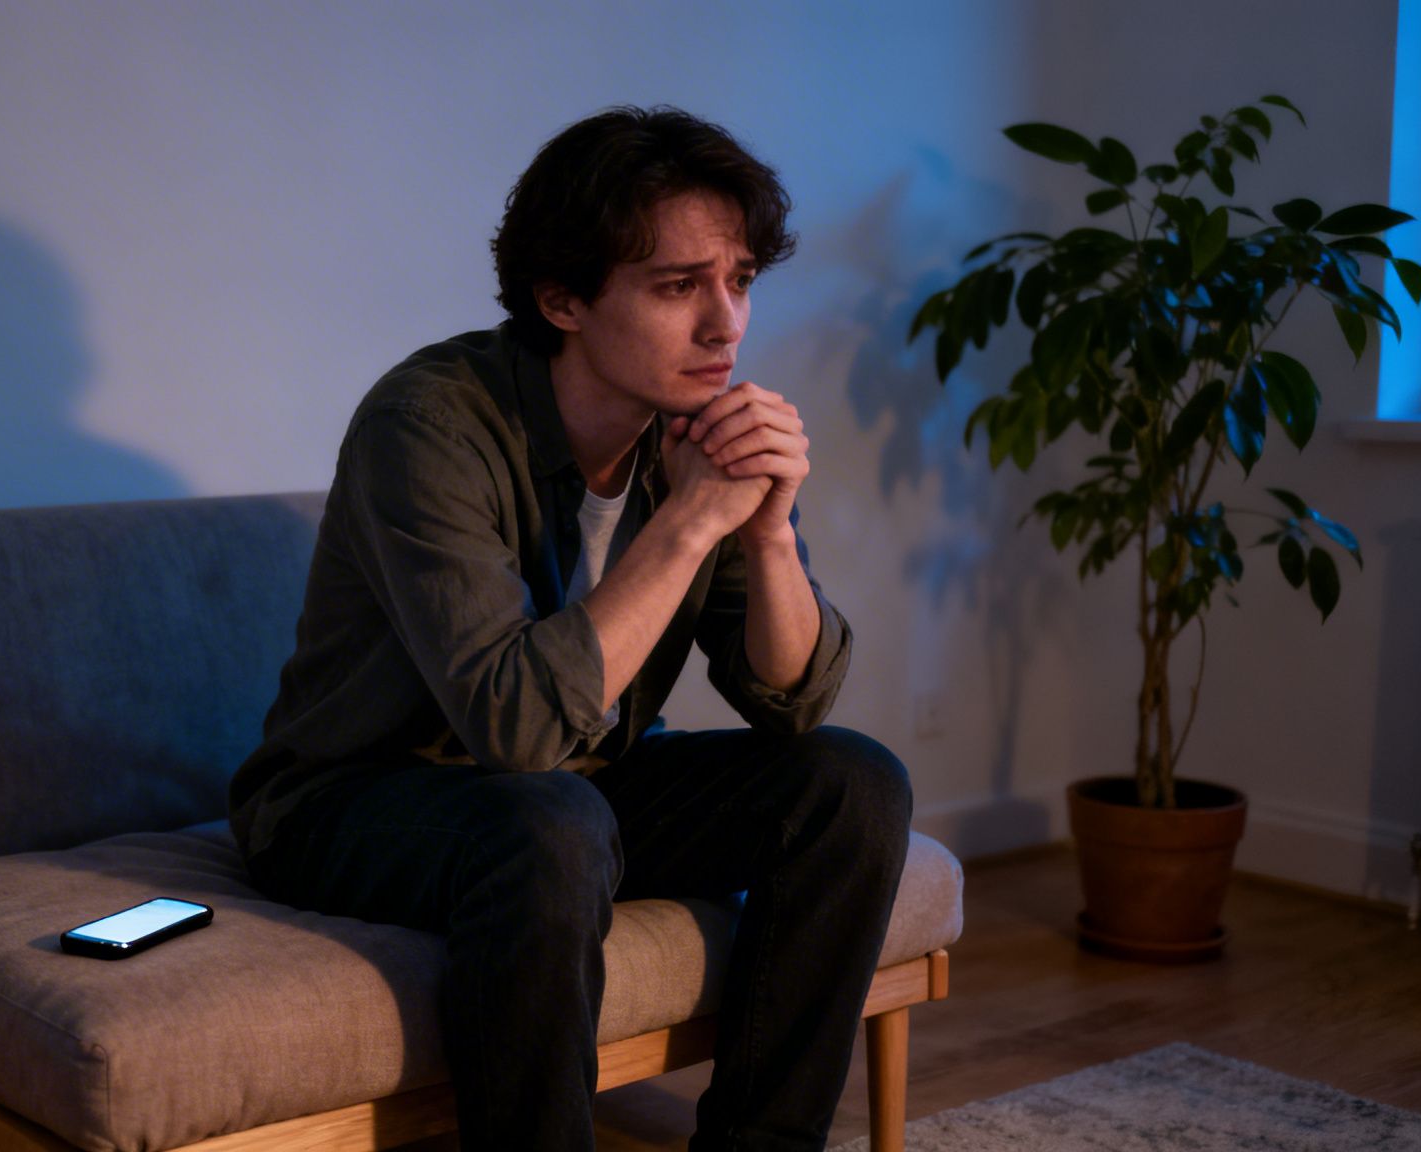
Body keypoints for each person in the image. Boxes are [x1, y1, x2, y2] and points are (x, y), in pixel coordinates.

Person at [228, 105, 911, 1152]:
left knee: (849, 785)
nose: (724, 325)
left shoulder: (692, 429)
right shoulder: (428, 424)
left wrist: (768, 533)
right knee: (548, 819)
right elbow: (512, 730)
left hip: (571, 798)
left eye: (736, 281)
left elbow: (793, 699)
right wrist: (686, 524)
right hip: (352, 800)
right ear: (562, 300)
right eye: (678, 287)